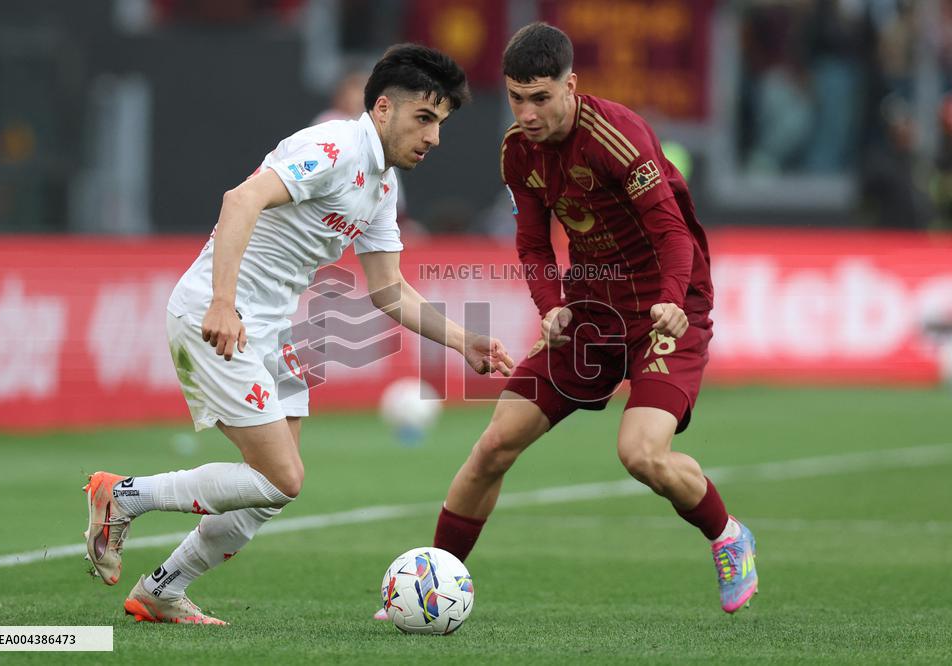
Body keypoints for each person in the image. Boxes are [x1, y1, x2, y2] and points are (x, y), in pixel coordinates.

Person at [82, 43, 514, 625]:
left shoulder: (381, 185)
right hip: (217, 321)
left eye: (441, 124)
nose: (434, 137)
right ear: (383, 109)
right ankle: (123, 496)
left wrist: (464, 340)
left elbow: (389, 291)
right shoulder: (332, 146)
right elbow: (241, 200)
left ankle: (163, 589)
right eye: (425, 118)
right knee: (278, 475)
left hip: (271, 327)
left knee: (276, 489)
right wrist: (223, 303)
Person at [379, 22, 758, 619]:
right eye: (515, 98)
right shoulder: (517, 151)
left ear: (570, 85)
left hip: (668, 311)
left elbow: (673, 233)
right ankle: (432, 584)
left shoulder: (618, 137)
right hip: (589, 313)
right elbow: (531, 245)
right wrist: (551, 306)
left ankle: (728, 535)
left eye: (540, 98)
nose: (527, 113)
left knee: (641, 455)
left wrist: (668, 299)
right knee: (494, 445)